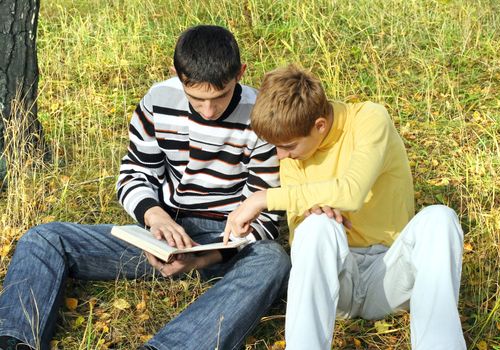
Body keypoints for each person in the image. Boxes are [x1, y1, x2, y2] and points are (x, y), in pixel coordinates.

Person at [0, 25, 290, 350]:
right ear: (176, 75)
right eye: (197, 98)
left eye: (219, 97)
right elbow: (134, 174)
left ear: (241, 73)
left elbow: (266, 216)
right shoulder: (158, 99)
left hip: (226, 243)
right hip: (162, 236)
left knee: (273, 260)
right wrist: (155, 217)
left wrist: (201, 259)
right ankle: (15, 341)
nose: (208, 110)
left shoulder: (262, 115)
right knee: (44, 238)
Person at [224, 65, 466, 350]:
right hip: (338, 281)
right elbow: (301, 233)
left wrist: (263, 198)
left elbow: (351, 192)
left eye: (288, 146)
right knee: (316, 226)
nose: (280, 156)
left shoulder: (370, 119)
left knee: (440, 218)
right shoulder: (291, 155)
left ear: (320, 126)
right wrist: (319, 216)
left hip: (389, 274)